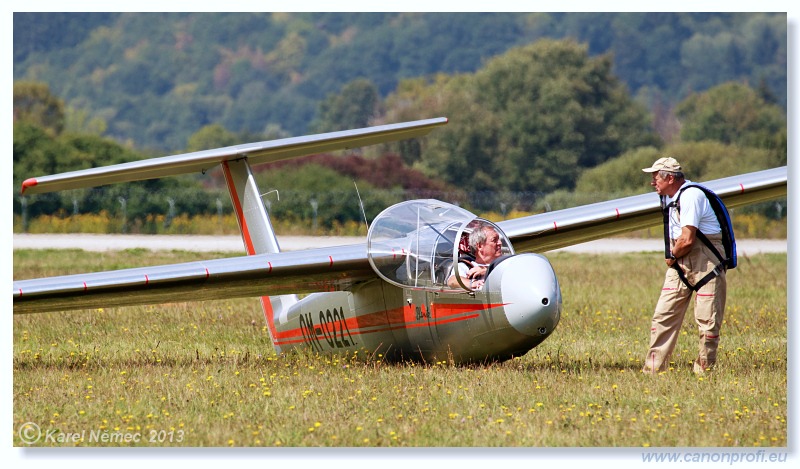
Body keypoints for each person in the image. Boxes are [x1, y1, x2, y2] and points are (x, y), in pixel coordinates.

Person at [641, 157, 728, 375]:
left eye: (655, 178)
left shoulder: (691, 196)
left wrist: (672, 256)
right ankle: (652, 370)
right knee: (663, 316)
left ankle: (704, 371)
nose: (653, 183)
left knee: (707, 321)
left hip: (705, 263)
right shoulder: (669, 198)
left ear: (669, 178)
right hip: (681, 262)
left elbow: (688, 239)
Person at [447, 222, 504, 290]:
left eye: (499, 239)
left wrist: (487, 271)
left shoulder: (504, 263)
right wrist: (473, 283)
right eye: (494, 240)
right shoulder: (466, 266)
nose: (500, 243)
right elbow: (452, 280)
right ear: (479, 246)